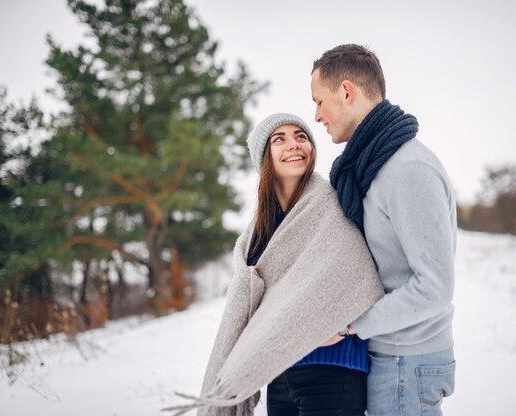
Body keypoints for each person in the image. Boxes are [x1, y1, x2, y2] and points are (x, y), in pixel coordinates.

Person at [163, 113, 383, 416]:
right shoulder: (258, 230)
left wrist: (344, 328)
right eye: (279, 139)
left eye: (301, 137)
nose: (293, 145)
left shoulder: (331, 205)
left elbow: (357, 273)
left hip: (332, 370)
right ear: (264, 156)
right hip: (278, 373)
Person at [310, 44, 457, 416]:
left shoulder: (409, 170)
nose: (316, 116)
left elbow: (434, 287)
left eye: (319, 101)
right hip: (392, 358)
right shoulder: (374, 167)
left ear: (346, 92)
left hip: (407, 362)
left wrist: (350, 325)